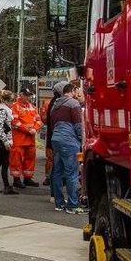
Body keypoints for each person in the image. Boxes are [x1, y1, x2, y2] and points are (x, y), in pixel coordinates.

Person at [49, 80, 84, 213]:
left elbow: (52, 124)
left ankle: (59, 203)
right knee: (71, 173)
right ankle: (72, 205)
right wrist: (82, 140)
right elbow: (78, 125)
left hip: (56, 139)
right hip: (69, 141)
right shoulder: (73, 103)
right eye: (76, 91)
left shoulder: (55, 105)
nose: (77, 94)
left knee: (57, 172)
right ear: (72, 91)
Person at [9, 88, 40, 188]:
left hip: (30, 139)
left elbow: (39, 121)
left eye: (29, 95)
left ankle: (27, 178)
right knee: (16, 159)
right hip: (19, 139)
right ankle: (16, 179)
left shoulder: (32, 107)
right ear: (20, 95)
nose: (28, 97)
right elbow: (15, 122)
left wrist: (35, 129)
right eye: (26, 95)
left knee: (30, 159)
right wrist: (28, 130)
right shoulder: (15, 106)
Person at [42, 82, 66, 190]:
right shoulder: (57, 103)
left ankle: (53, 186)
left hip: (54, 137)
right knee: (55, 163)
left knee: (55, 163)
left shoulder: (53, 103)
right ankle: (53, 186)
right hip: (57, 137)